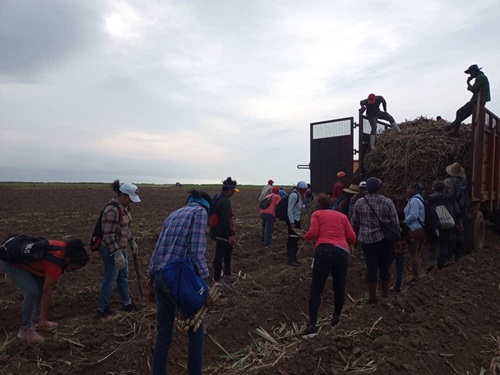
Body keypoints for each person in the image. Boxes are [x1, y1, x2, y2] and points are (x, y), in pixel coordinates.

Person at [148, 190, 214, 375]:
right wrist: (205, 288)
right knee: (196, 332)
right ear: (206, 206)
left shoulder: (173, 214)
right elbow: (196, 252)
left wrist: (151, 280)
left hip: (160, 277)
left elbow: (158, 249)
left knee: (164, 335)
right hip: (177, 280)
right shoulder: (199, 213)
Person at [2, 237, 89, 344]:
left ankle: (37, 320)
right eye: (74, 267)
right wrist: (43, 319)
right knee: (32, 291)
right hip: (12, 263)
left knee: (40, 287)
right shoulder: (56, 264)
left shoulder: (64, 249)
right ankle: (25, 329)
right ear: (68, 260)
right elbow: (47, 292)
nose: (73, 271)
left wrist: (42, 318)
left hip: (28, 262)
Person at [299, 194, 356, 338]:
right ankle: (336, 317)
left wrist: (304, 237)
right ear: (331, 205)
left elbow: (313, 233)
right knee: (339, 286)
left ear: (317, 205)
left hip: (324, 251)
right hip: (342, 252)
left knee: (316, 288)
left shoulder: (317, 214)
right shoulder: (341, 216)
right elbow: (352, 236)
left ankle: (312, 325)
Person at [97, 179, 141, 318]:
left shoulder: (125, 209)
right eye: (130, 198)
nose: (132, 202)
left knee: (123, 277)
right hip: (111, 250)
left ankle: (127, 303)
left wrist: (132, 240)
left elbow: (124, 229)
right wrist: (116, 252)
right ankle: (102, 309)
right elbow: (108, 234)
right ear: (123, 196)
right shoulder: (112, 210)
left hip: (122, 249)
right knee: (110, 279)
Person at [351, 177, 399, 303]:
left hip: (366, 239)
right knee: (384, 267)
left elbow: (354, 222)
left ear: (366, 188)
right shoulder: (387, 202)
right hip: (384, 239)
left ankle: (372, 297)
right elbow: (395, 223)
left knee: (371, 267)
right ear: (379, 188)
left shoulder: (359, 202)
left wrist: (356, 239)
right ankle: (385, 295)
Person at [427, 181, 462, 269]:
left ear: (433, 188)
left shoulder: (429, 198)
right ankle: (442, 262)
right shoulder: (449, 198)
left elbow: (428, 212)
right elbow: (457, 211)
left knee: (432, 243)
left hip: (434, 224)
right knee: (444, 244)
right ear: (444, 189)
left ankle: (431, 262)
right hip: (447, 224)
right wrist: (458, 222)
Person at [447, 64, 491, 136]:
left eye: (471, 72)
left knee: (459, 112)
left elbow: (473, 89)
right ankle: (451, 126)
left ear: (474, 71)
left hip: (476, 101)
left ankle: (455, 132)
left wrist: (468, 83)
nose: (470, 74)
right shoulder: (482, 77)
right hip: (479, 101)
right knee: (464, 114)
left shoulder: (480, 77)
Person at [210, 177, 239, 285]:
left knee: (227, 252)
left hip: (219, 231)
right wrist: (230, 235)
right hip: (222, 233)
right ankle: (217, 278)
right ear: (229, 190)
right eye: (233, 191)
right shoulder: (224, 201)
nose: (234, 193)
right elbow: (225, 220)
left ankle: (227, 274)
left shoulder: (218, 197)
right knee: (219, 255)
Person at [444, 162, 469, 259]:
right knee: (460, 228)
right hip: (462, 206)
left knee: (451, 230)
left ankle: (450, 253)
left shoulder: (447, 181)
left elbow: (450, 196)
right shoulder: (464, 180)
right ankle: (459, 252)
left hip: (452, 207)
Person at [404, 182, 426, 282]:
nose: (408, 190)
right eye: (408, 187)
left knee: (413, 255)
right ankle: (420, 274)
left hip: (415, 229)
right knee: (417, 254)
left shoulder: (414, 201)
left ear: (416, 190)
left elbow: (413, 215)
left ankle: (416, 276)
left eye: (411, 188)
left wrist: (404, 222)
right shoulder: (419, 199)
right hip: (421, 229)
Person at [390, 211, 413, 293]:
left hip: (392, 251)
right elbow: (411, 239)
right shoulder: (407, 228)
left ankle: (382, 283)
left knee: (385, 267)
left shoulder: (393, 227)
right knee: (399, 270)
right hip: (402, 252)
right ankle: (398, 287)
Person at [286, 181, 308, 267]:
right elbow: (290, 209)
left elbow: (299, 206)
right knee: (292, 240)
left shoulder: (299, 195)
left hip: (296, 220)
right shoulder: (294, 195)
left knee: (295, 240)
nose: (305, 191)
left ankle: (294, 258)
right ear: (300, 188)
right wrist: (292, 222)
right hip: (293, 221)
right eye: (304, 189)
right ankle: (290, 259)